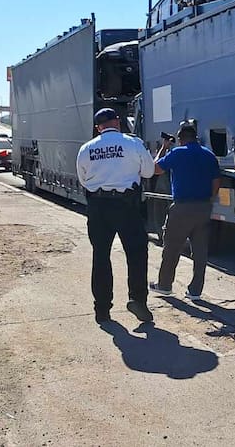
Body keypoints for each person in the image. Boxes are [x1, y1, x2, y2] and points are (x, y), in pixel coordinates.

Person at [75, 108, 156, 325]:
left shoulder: (86, 149)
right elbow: (148, 172)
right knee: (137, 253)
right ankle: (137, 300)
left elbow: (83, 180)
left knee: (101, 256)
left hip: (98, 207)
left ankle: (102, 310)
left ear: (97, 128)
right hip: (127, 206)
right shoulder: (133, 143)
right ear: (117, 123)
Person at [148, 120, 220, 301]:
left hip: (182, 207)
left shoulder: (177, 153)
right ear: (195, 138)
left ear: (180, 139)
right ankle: (195, 291)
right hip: (203, 207)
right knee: (200, 250)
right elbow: (216, 182)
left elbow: (155, 169)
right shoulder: (209, 155)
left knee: (172, 247)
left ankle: (164, 285)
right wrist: (209, 200)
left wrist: (164, 147)